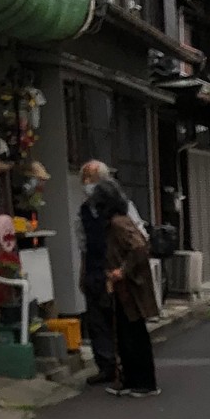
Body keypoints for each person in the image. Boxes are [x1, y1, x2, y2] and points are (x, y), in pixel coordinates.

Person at [95, 179, 160, 396]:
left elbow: (139, 247)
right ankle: (130, 379)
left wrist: (122, 271)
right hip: (124, 287)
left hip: (130, 288)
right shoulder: (116, 222)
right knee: (125, 334)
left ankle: (145, 382)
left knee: (134, 334)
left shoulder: (118, 223)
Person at [77, 161, 118, 386]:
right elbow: (83, 245)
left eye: (91, 178)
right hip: (93, 268)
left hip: (114, 269)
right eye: (84, 178)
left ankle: (122, 363)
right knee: (96, 321)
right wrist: (82, 273)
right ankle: (105, 366)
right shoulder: (84, 210)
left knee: (116, 317)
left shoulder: (118, 206)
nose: (86, 183)